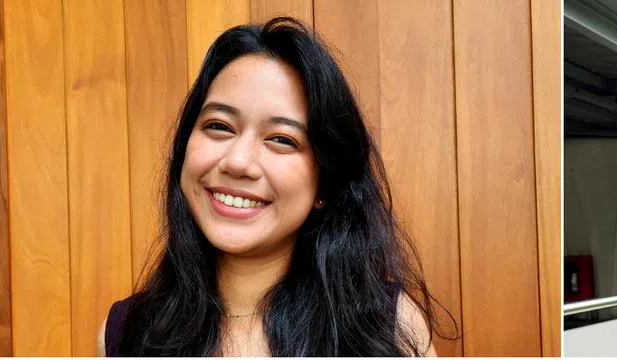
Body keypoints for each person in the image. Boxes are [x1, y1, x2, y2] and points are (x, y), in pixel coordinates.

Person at [97, 18, 448, 356]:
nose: (238, 162)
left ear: (326, 182)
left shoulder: (388, 327)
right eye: (219, 126)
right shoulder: (124, 333)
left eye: (281, 138)